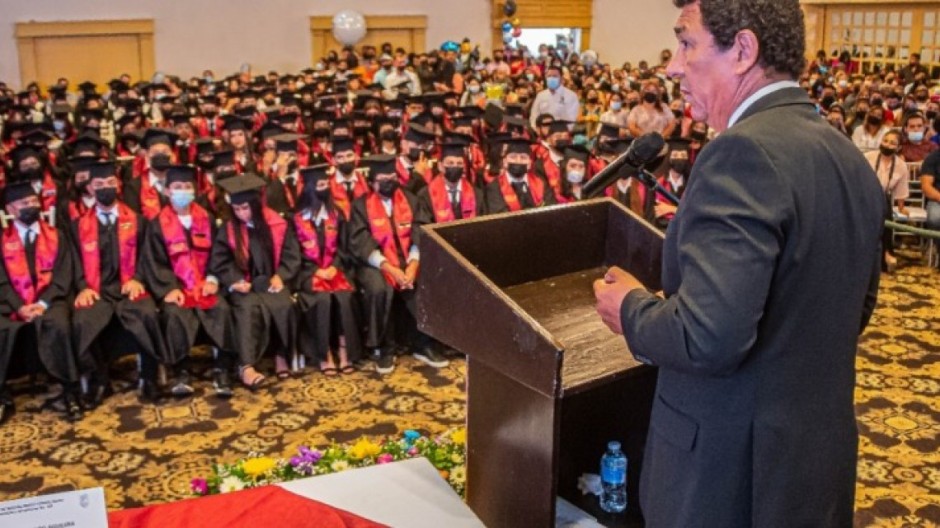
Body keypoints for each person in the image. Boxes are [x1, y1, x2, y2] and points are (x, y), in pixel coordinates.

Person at [593, 1, 884, 526]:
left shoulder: (740, 154)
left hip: (728, 476)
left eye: (686, 42)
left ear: (744, 50)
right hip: (813, 458)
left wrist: (631, 308)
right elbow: (853, 308)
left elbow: (709, 338)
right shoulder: (846, 155)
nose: (672, 67)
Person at [70, 161, 169, 407]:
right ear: (90, 188)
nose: (106, 188)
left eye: (110, 183)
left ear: (119, 185)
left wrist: (139, 280)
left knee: (146, 313)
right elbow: (73, 263)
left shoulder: (137, 221)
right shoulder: (77, 227)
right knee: (82, 321)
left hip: (130, 286)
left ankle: (149, 378)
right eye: (99, 184)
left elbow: (148, 257)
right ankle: (99, 380)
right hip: (97, 290)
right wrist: (83, 286)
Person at [348, 155, 449, 375]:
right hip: (377, 263)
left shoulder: (411, 200)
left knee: (426, 281)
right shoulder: (360, 206)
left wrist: (413, 265)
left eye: (392, 176)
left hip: (408, 258)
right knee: (378, 288)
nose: (389, 181)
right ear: (373, 181)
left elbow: (421, 233)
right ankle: (385, 348)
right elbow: (360, 243)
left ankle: (423, 344)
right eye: (383, 178)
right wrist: (390, 268)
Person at [141, 165, 234, 399]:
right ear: (167, 191)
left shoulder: (207, 218)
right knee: (173, 314)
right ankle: (181, 372)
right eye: (177, 187)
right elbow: (155, 262)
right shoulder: (157, 225)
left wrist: (213, 278)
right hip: (179, 288)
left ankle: (222, 369)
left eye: (187, 187)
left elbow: (219, 254)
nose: (183, 191)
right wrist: (169, 288)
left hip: (204, 284)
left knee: (221, 309)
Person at [0, 179, 83, 424]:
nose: (31, 206)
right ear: (10, 210)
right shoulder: (2, 240)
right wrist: (20, 306)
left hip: (51, 299)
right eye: (24, 203)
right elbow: (1, 282)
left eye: (34, 201)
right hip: (11, 302)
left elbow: (63, 275)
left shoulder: (57, 235)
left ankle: (70, 389)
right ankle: (3, 395)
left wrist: (43, 303)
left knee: (58, 324)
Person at [210, 174, 300, 388]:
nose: (242, 213)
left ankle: (281, 356)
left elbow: (291, 254)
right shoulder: (229, 229)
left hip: (271, 281)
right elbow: (220, 260)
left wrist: (281, 275)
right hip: (245, 286)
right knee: (248, 307)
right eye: (237, 209)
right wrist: (234, 281)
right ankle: (247, 366)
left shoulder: (277, 223)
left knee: (283, 304)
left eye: (246, 208)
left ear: (256, 205)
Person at [293, 165, 362, 375]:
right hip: (308, 273)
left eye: (325, 185)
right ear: (308, 189)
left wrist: (335, 266)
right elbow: (293, 254)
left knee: (343, 297)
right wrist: (315, 270)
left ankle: (345, 351)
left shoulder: (336, 214)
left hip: (335, 270)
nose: (322, 189)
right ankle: (324, 354)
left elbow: (345, 247)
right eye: (318, 185)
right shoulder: (295, 219)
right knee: (321, 299)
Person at [866, 130, 911, 272]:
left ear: (898, 148)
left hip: (884, 198)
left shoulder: (901, 166)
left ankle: (885, 253)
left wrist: (902, 207)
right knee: (883, 208)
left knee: (885, 208)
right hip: (865, 196)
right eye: (885, 141)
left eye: (892, 143)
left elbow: (901, 190)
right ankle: (887, 253)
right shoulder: (868, 157)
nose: (887, 144)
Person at [416, 138, 486, 223]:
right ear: (440, 166)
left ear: (463, 167)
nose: (455, 167)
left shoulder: (477, 194)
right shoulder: (425, 195)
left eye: (459, 163)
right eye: (450, 163)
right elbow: (421, 228)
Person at [485, 137, 557, 213]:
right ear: (505, 162)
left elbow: (550, 209)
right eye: (513, 157)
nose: (518, 161)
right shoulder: (494, 187)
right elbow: (500, 215)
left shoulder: (542, 183)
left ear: (529, 163)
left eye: (523, 157)